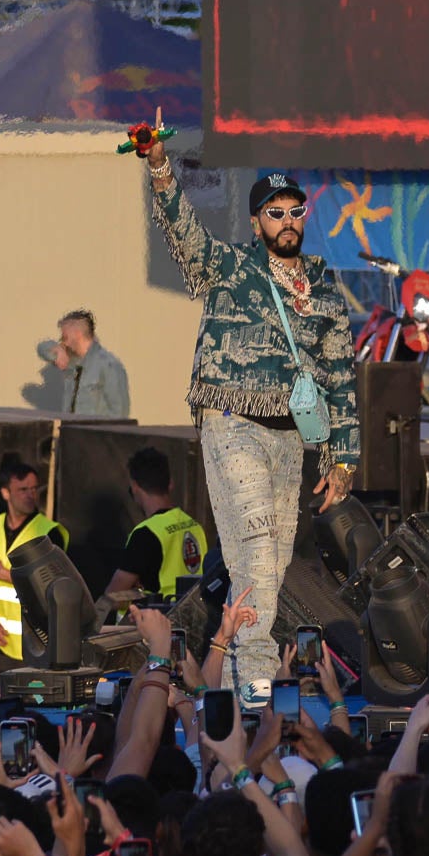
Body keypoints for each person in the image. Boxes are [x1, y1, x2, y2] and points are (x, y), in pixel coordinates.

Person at [146, 118, 360, 690]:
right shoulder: (231, 266)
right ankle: (257, 681)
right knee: (259, 545)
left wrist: (342, 460)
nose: (286, 222)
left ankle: (243, 680)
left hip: (291, 436)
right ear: (255, 220)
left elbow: (340, 375)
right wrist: (160, 165)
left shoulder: (323, 287)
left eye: (295, 211)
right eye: (274, 212)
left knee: (266, 563)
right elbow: (183, 231)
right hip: (232, 421)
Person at [0, 462, 67, 665]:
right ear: (6, 493)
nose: (31, 495)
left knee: (26, 696)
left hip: (29, 647)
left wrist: (4, 573)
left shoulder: (49, 533)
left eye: (34, 489)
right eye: (23, 489)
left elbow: (52, 585)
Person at [104, 446, 208, 602]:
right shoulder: (194, 525)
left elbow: (113, 596)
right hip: (197, 617)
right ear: (170, 483)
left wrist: (137, 591)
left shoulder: (145, 533)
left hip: (161, 618)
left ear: (135, 487)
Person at [36, 309, 130, 417]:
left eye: (65, 336)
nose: (62, 341)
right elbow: (42, 348)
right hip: (70, 429)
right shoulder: (70, 360)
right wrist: (57, 350)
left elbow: (120, 412)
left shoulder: (109, 365)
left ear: (77, 334)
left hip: (94, 432)